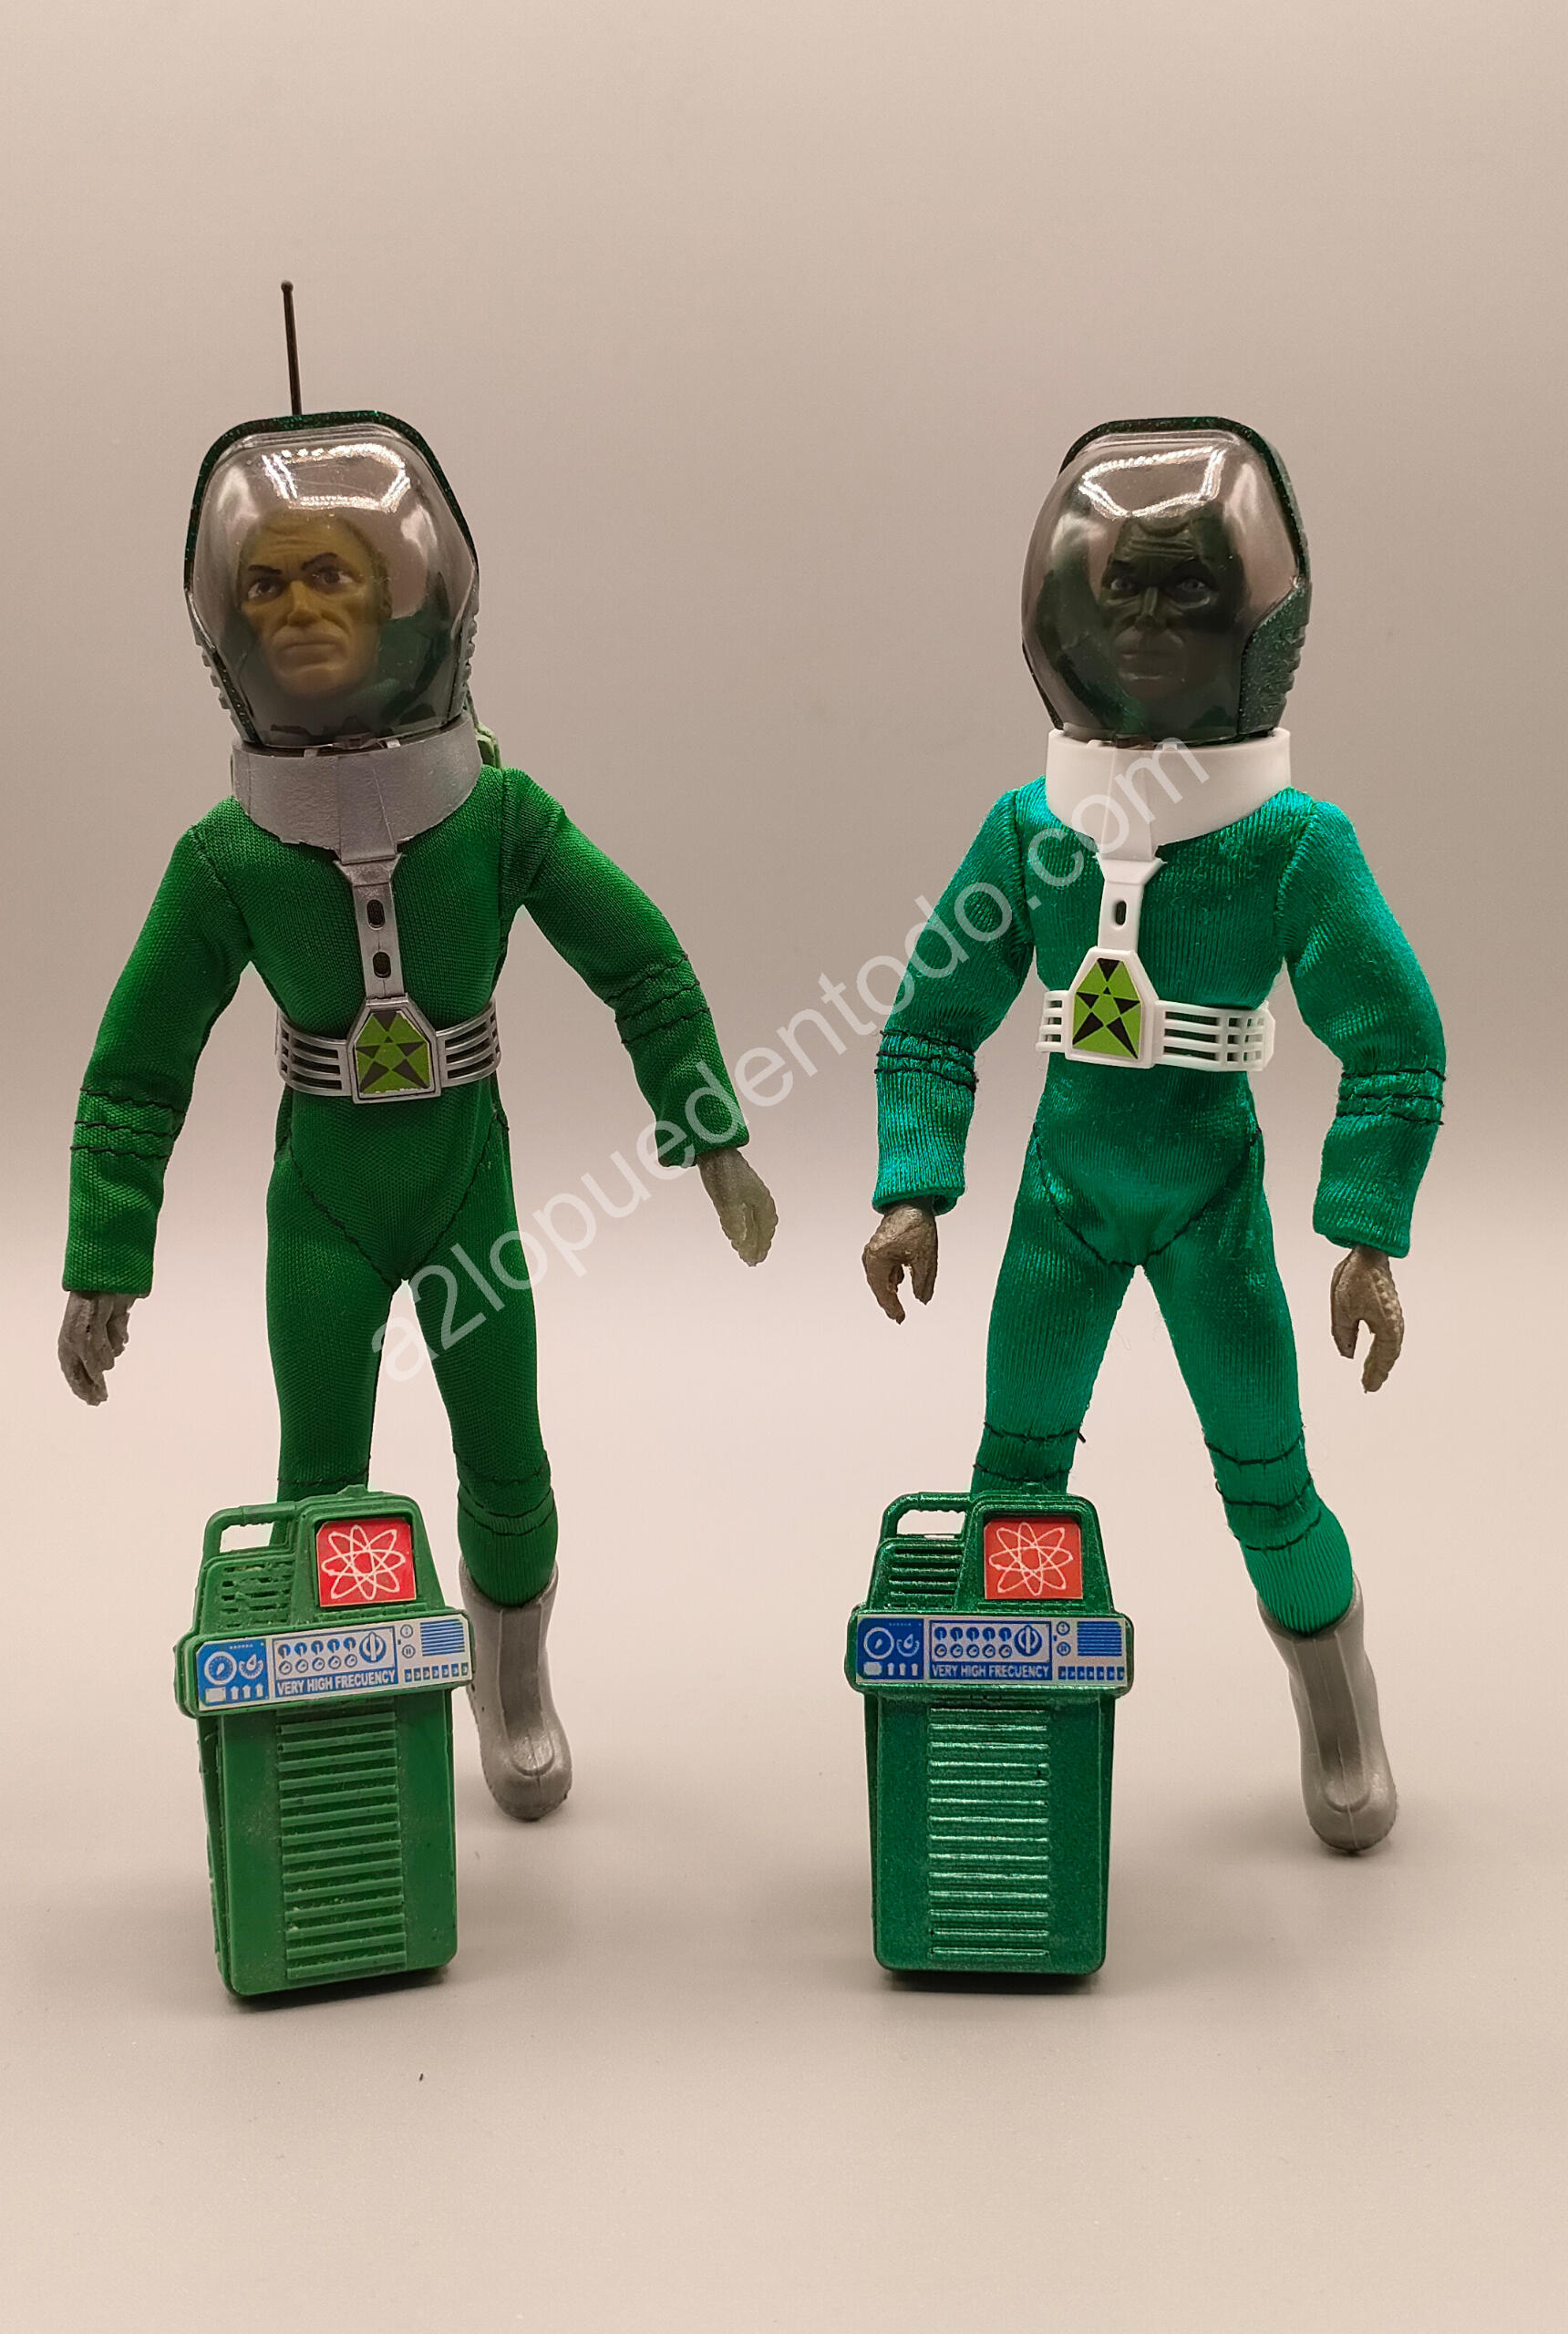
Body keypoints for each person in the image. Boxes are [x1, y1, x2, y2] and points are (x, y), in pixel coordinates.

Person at [59, 409, 776, 1820]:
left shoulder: (497, 818)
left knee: (506, 1455)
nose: (297, 608)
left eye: (330, 573)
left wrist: (711, 1134)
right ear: (225, 627)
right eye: (265, 583)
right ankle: (344, 1709)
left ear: (406, 604)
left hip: (466, 1194)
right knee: (320, 1479)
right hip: (321, 1207)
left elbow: (641, 964)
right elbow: (136, 1069)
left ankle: (514, 1682)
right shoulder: (229, 859)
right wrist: (105, 1252)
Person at [862, 418, 1442, 1853]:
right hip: (1061, 1205)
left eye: (1188, 593)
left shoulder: (1289, 844)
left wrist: (1365, 1229)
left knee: (1268, 1476)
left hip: (1209, 1209)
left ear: (1253, 626)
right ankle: (1004, 1721)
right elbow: (932, 1018)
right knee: (1014, 1475)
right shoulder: (1030, 832)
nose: (1148, 623)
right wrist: (915, 1185)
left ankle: (1336, 1692)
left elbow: (1393, 1040)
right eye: (1120, 589)